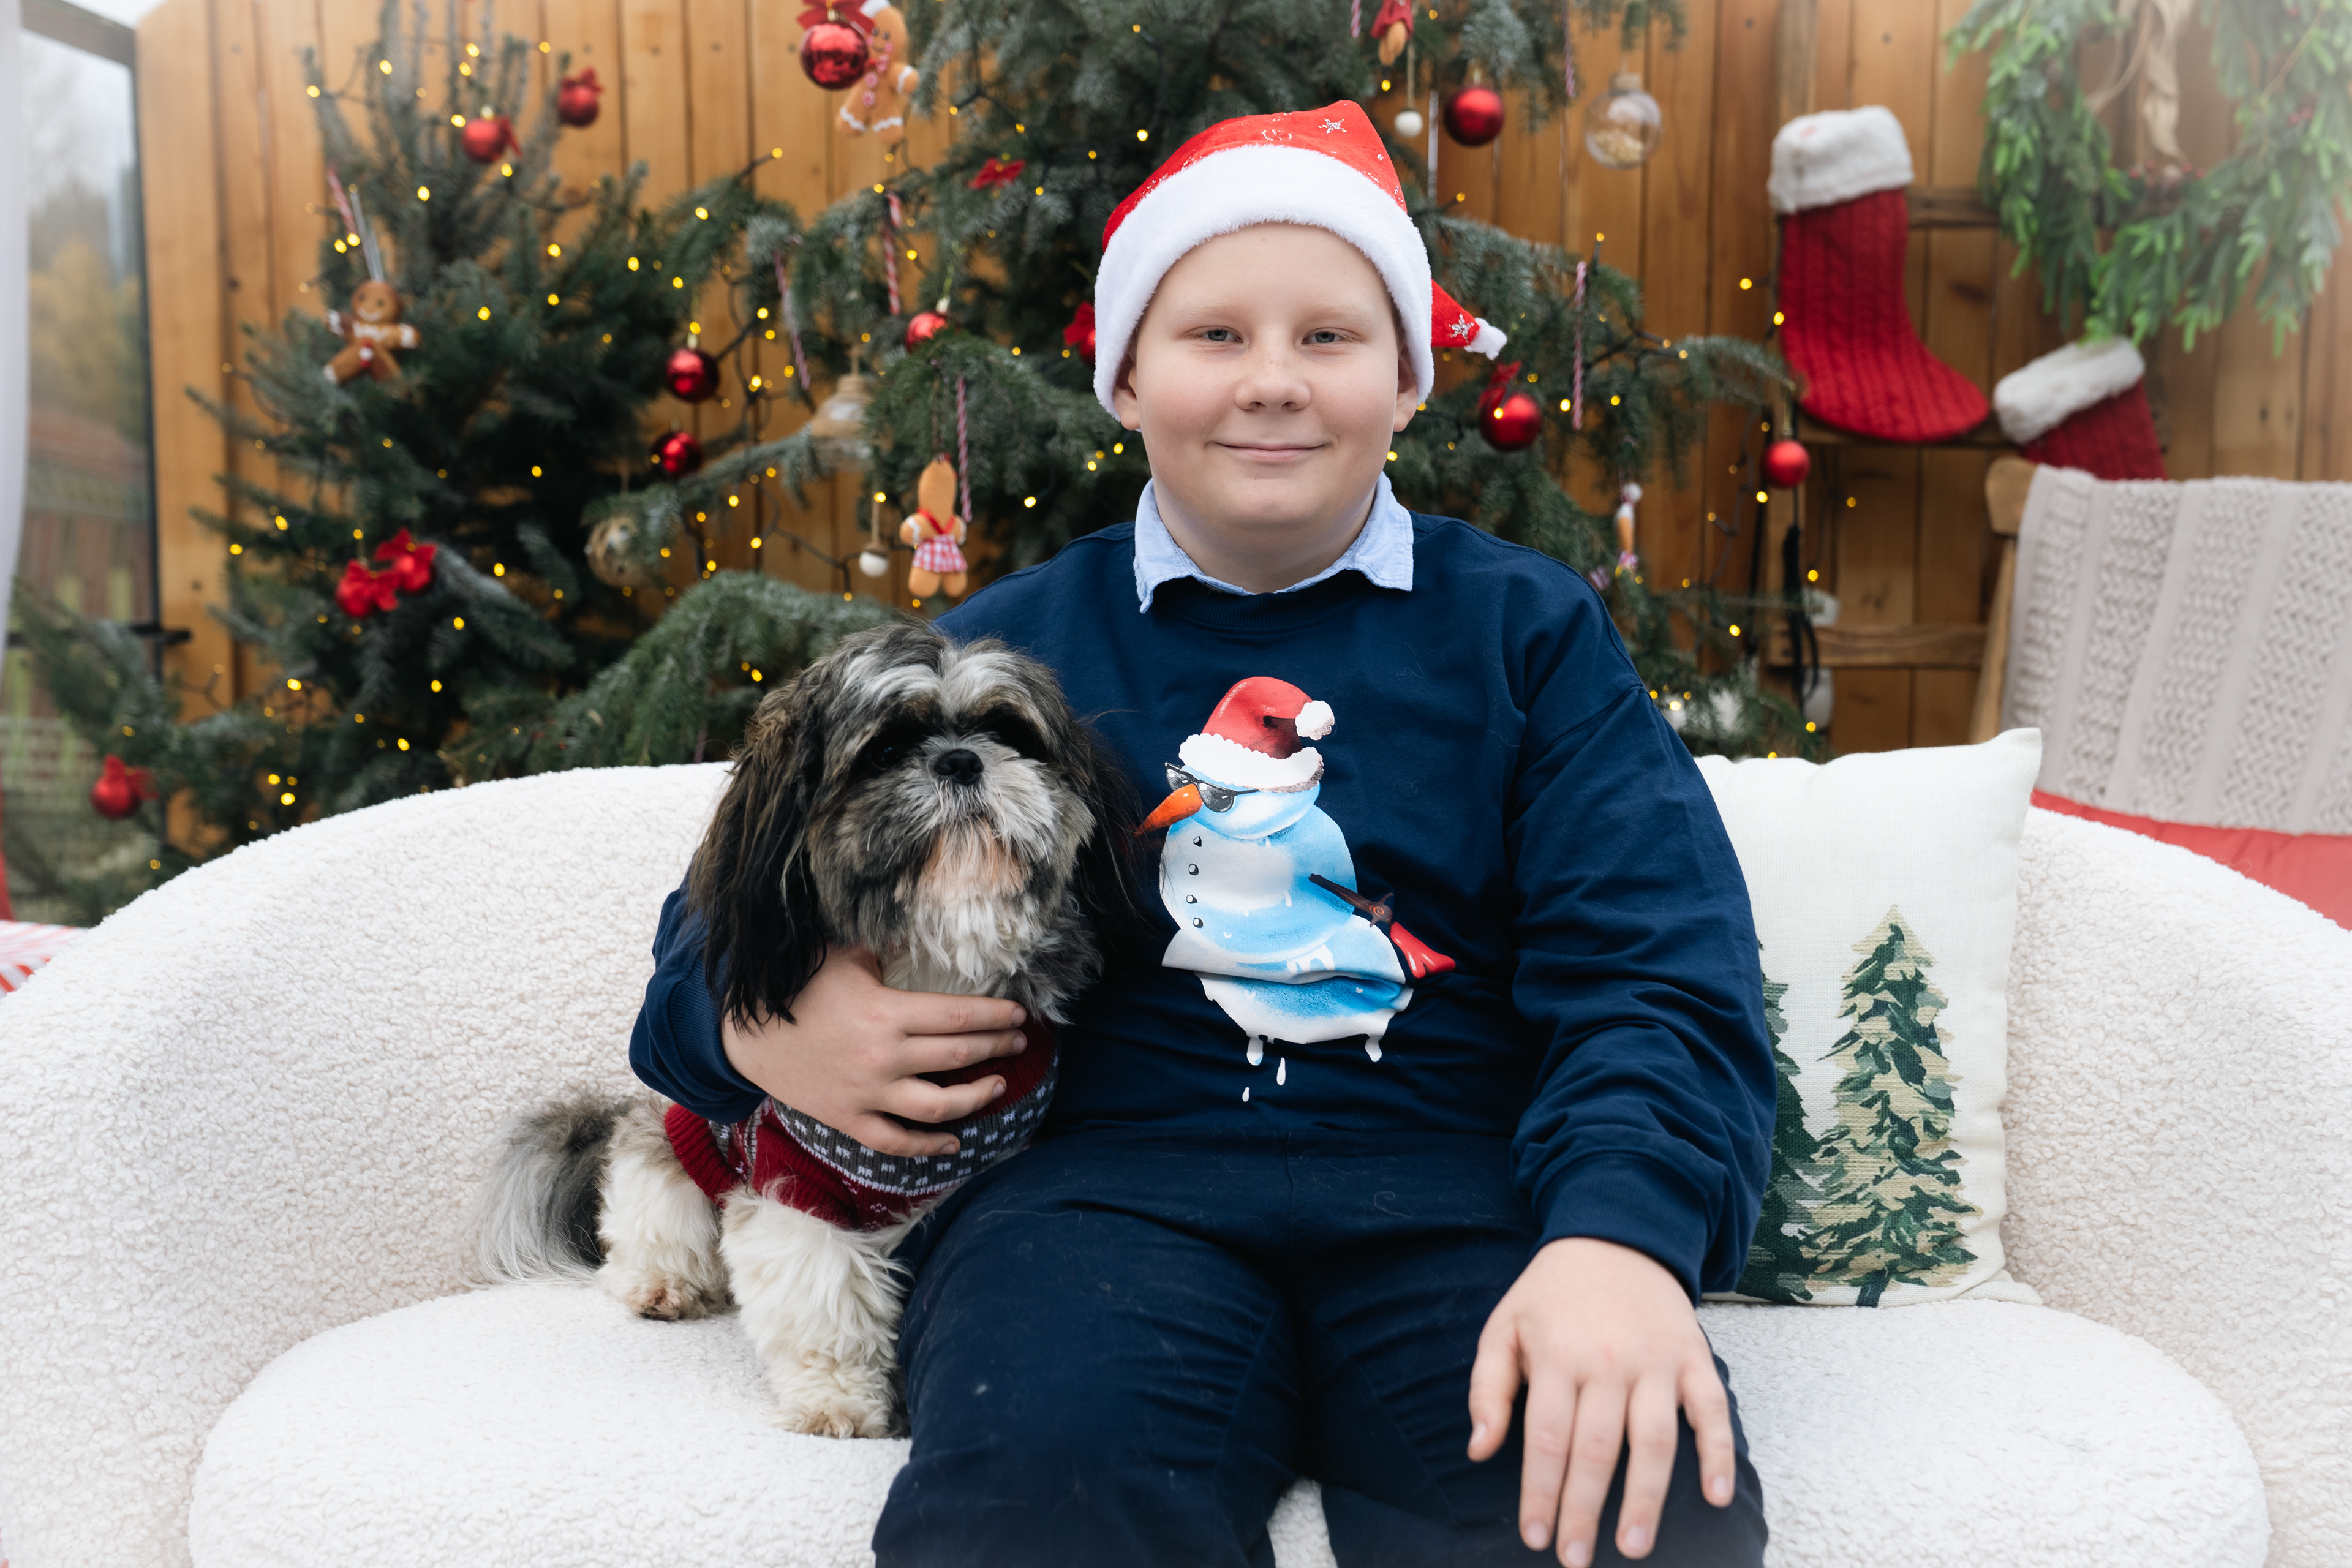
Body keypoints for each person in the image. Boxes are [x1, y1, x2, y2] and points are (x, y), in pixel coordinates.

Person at [631, 102, 1773, 1568]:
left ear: (1407, 378)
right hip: (1092, 1208)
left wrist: (1620, 1236)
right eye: (1215, 334)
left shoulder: (1528, 633)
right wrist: (764, 1030)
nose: (1272, 381)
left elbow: (1658, 966)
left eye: (1329, 337)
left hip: (1465, 1200)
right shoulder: (1003, 647)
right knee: (1033, 1515)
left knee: (1627, 1517)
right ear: (1125, 375)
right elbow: (716, 928)